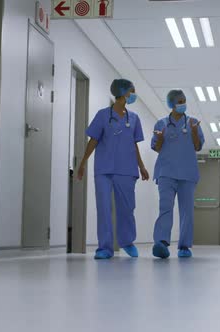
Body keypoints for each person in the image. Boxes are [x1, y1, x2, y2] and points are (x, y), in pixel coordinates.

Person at [77, 79, 150, 260]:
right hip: (104, 168)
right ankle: (105, 248)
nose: (134, 94)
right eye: (132, 91)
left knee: (126, 208)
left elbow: (134, 145)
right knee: (103, 208)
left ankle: (127, 242)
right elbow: (93, 140)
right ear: (124, 92)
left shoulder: (134, 118)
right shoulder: (103, 115)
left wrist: (141, 166)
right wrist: (83, 162)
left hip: (126, 169)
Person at [150, 90, 204, 259]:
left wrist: (194, 133)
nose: (183, 104)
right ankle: (161, 242)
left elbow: (197, 147)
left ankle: (184, 246)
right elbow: (157, 148)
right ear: (171, 104)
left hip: (187, 174)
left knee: (187, 211)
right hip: (166, 173)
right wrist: (160, 138)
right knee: (165, 208)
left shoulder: (193, 122)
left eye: (184, 100)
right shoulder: (161, 123)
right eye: (180, 101)